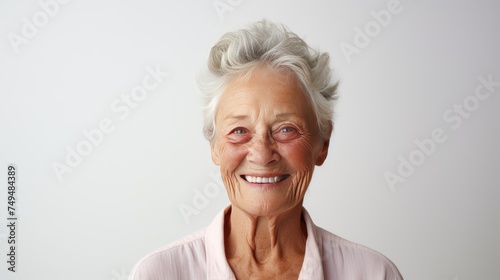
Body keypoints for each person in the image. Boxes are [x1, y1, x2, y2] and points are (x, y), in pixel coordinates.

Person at [129, 20, 403, 280]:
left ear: (323, 143)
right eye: (239, 131)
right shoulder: (158, 273)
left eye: (286, 129)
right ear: (214, 146)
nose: (261, 154)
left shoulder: (374, 274)